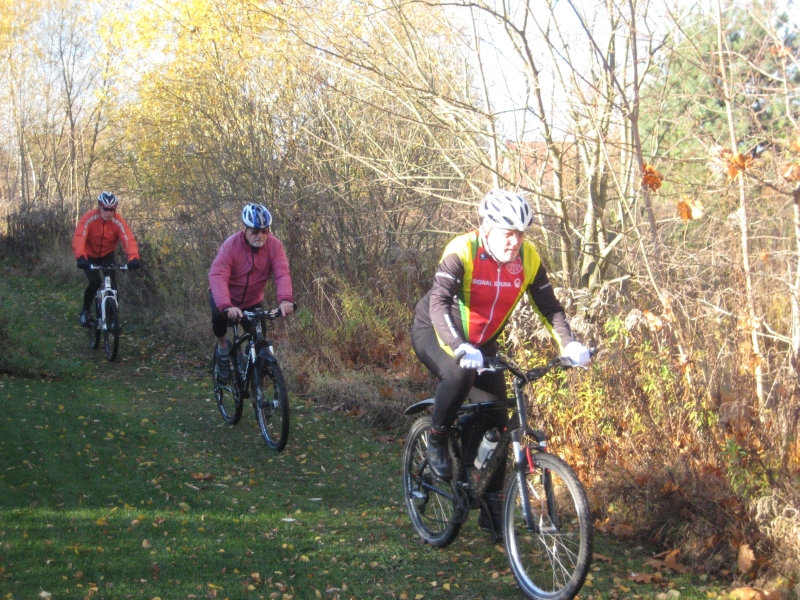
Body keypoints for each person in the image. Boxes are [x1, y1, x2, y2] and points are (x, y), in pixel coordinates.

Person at [411, 189, 591, 540]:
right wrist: (458, 346)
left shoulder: (528, 258)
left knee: (497, 417)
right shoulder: (462, 249)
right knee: (460, 373)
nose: (515, 241)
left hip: (482, 343)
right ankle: (437, 436)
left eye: (521, 233)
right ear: (488, 229)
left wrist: (569, 343)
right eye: (508, 233)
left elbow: (549, 306)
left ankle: (491, 506)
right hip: (436, 331)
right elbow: (439, 303)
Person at [208, 203, 294, 384]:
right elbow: (218, 275)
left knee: (260, 342)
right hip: (226, 297)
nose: (260, 235)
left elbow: (282, 273)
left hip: (252, 300)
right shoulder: (231, 246)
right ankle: (222, 349)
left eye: (265, 230)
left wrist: (285, 300)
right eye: (255, 231)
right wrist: (226, 305)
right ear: (244, 229)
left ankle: (257, 388)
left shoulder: (274, 246)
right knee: (218, 318)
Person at [72, 191, 141, 326]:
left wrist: (133, 258)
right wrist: (80, 257)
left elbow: (128, 239)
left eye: (112, 209)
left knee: (113, 286)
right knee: (95, 281)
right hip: (89, 255)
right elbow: (79, 237)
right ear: (99, 207)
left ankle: (112, 318)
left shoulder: (118, 221)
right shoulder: (88, 218)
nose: (108, 212)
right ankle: (85, 311)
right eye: (105, 209)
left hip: (107, 254)